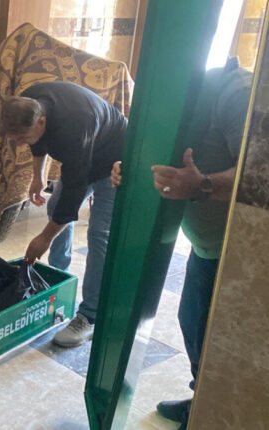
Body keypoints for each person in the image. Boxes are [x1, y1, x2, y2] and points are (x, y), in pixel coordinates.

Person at [110, 60, 251, 430]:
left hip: (239, 252)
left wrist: (202, 184)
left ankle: (213, 413)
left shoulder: (235, 93)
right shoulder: (171, 96)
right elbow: (162, 152)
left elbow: (260, 173)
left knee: (222, 341)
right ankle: (202, 400)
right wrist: (130, 168)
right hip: (206, 246)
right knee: (193, 322)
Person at [1, 81, 128, 347]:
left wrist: (44, 238)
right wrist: (38, 177)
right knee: (53, 207)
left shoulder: (73, 127)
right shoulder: (30, 102)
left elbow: (73, 190)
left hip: (114, 159)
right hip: (85, 153)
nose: (19, 143)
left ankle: (90, 316)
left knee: (99, 234)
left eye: (23, 137)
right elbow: (37, 143)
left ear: (42, 122)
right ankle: (60, 283)